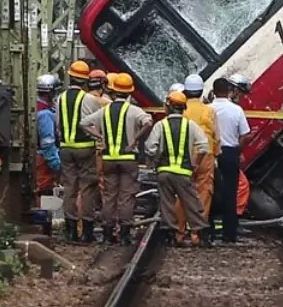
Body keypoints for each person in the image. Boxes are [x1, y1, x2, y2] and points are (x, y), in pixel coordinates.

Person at [81, 72, 153, 245]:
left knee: (109, 195)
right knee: (126, 196)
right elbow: (149, 122)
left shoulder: (104, 111)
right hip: (128, 158)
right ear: (129, 93)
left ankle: (107, 233)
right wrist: (136, 139)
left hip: (108, 159)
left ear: (113, 91)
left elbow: (83, 123)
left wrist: (100, 138)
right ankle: (125, 234)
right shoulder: (135, 111)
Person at [145, 91, 212, 246]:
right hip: (184, 172)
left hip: (164, 172)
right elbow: (203, 147)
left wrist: (155, 162)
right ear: (183, 108)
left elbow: (150, 148)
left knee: (167, 204)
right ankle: (201, 234)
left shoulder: (160, 125)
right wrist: (195, 164)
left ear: (168, 107)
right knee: (192, 203)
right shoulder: (191, 125)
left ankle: (171, 236)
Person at [55, 60, 104, 242]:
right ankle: (87, 232)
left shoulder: (60, 98)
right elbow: (94, 124)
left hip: (66, 148)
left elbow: (58, 123)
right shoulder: (89, 99)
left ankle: (71, 230)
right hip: (85, 149)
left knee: (70, 189)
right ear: (85, 81)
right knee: (87, 189)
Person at [178, 74, 220, 243]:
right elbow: (217, 136)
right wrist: (216, 153)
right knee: (203, 193)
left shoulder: (180, 109)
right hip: (206, 154)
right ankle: (197, 233)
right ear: (202, 90)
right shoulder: (209, 110)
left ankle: (179, 233)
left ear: (185, 91)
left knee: (180, 193)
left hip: (183, 155)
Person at [209, 76, 251, 244]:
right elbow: (245, 135)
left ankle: (209, 230)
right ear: (228, 91)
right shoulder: (237, 110)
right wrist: (237, 150)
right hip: (230, 153)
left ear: (214, 91)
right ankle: (229, 234)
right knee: (231, 193)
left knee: (210, 191)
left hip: (211, 153)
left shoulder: (208, 109)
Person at [35, 74, 61, 206]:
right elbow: (47, 142)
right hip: (43, 158)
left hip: (39, 155)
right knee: (44, 189)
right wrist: (56, 163)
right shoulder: (45, 114)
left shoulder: (38, 107)